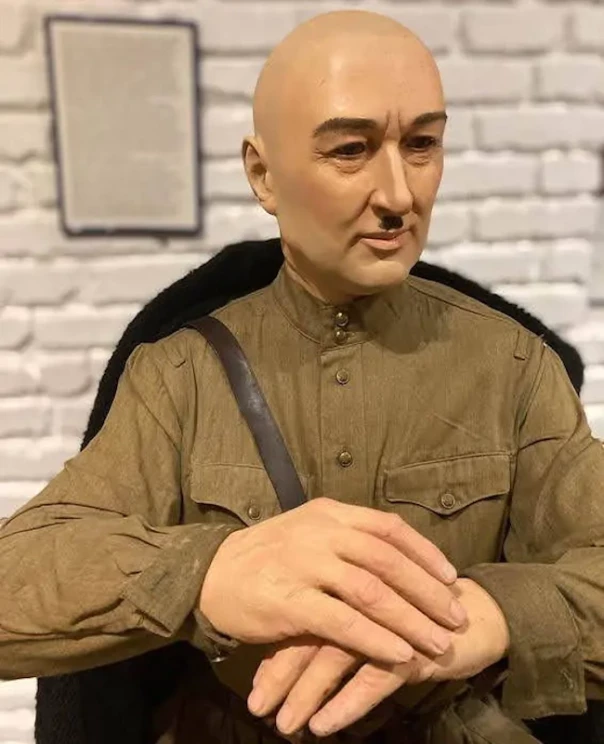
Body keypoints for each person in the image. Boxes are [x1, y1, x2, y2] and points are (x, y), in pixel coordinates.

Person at [1, 10, 603, 744]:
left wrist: (495, 613)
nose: (398, 194)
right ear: (264, 174)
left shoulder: (513, 367)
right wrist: (207, 573)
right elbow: (17, 579)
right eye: (350, 150)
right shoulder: (180, 377)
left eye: (422, 145)